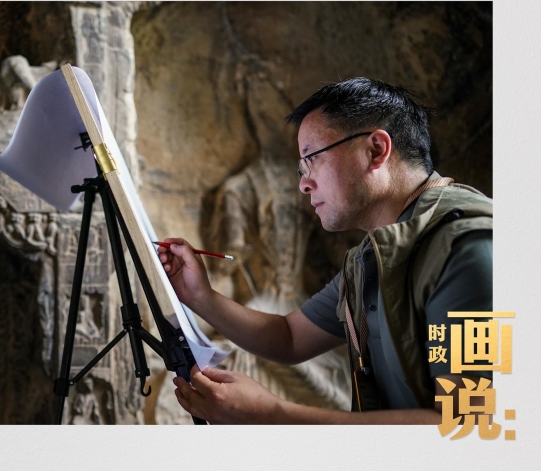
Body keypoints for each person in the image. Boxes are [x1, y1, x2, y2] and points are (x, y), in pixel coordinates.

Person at [158, 77, 492, 423]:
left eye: (313, 159)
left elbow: (468, 427)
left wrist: (272, 415)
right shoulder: (371, 257)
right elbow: (290, 337)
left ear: (376, 150)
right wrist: (199, 295)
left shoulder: (467, 250)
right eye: (301, 168)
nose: (304, 184)